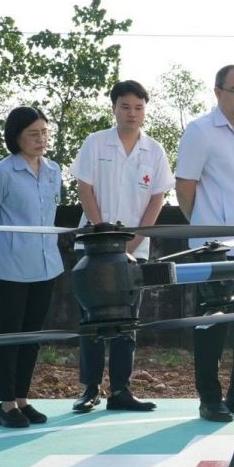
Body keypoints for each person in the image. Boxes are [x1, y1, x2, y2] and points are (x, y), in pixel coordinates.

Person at [69, 80, 174, 413]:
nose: (132, 113)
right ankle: (89, 388)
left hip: (133, 250)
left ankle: (120, 390)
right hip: (93, 248)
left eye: (138, 107)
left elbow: (157, 198)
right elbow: (84, 189)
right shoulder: (96, 142)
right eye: (125, 106)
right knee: (92, 320)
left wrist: (134, 241)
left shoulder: (154, 150)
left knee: (128, 321)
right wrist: (103, 234)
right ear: (114, 108)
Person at [175, 65, 234, 423]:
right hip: (216, 248)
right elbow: (185, 186)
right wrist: (204, 229)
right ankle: (210, 397)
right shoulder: (200, 131)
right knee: (212, 324)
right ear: (218, 92)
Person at [0, 107, 64, 428]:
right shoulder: (2, 172)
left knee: (32, 336)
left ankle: (23, 399)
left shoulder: (54, 170)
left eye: (44, 133)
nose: (41, 139)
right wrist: (0, 251)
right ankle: (6, 403)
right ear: (16, 137)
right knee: (10, 335)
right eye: (33, 134)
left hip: (46, 264)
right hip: (10, 267)